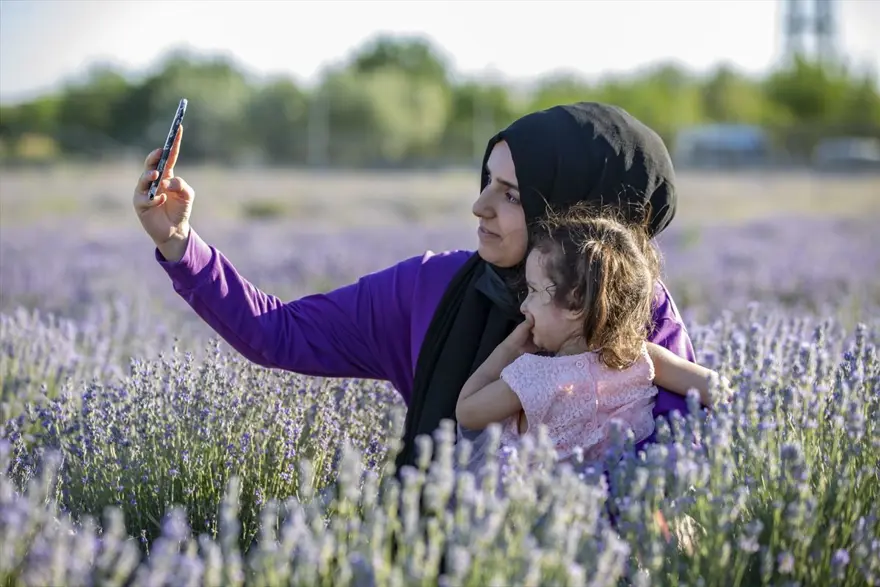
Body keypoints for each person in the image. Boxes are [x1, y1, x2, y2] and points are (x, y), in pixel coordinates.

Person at [132, 102, 696, 473]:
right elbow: (279, 333)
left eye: (513, 195)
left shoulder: (632, 315)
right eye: (486, 183)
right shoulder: (432, 286)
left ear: (577, 213)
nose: (479, 206)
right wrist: (180, 244)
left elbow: (672, 466)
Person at [455, 206, 723, 474]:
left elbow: (466, 412)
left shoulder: (533, 377)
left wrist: (509, 349)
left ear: (575, 304)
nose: (524, 306)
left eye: (534, 291)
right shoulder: (643, 358)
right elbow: (718, 389)